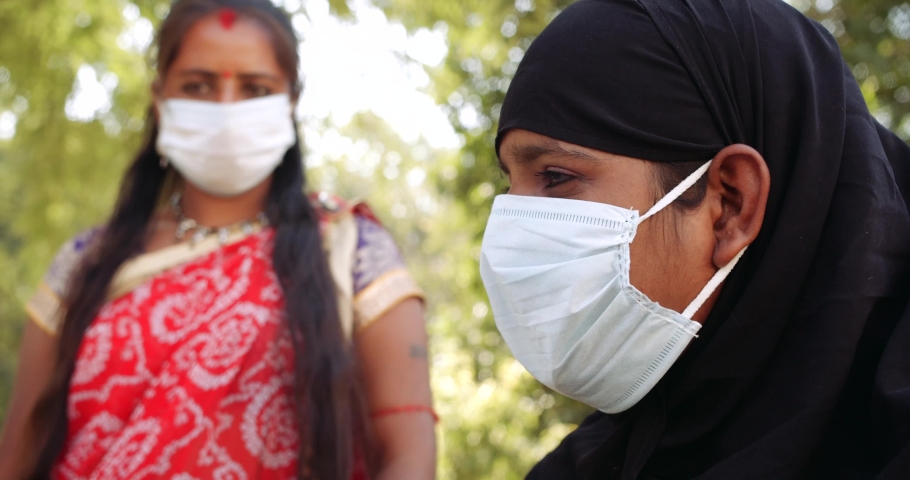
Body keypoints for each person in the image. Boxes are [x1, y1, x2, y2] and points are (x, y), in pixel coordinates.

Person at [0, 1, 436, 478]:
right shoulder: (87, 262)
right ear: (159, 98)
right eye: (198, 86)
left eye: (255, 89)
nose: (227, 109)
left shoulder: (353, 252)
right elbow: (19, 453)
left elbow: (408, 453)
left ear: (290, 102)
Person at [479, 0, 910, 478]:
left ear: (729, 205)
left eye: (555, 177)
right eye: (510, 186)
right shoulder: (600, 460)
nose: (516, 227)